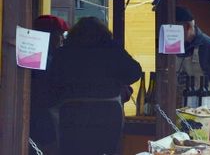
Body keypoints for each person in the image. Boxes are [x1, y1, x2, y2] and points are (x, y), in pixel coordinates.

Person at [49, 16, 142, 155]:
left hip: (73, 113)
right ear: (104, 33)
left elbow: (52, 81)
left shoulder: (64, 52)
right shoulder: (113, 50)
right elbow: (134, 72)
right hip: (108, 112)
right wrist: (117, 80)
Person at [30, 15, 69, 154]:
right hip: (44, 114)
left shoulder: (32, 54)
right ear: (51, 35)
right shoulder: (48, 59)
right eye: (60, 34)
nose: (62, 39)